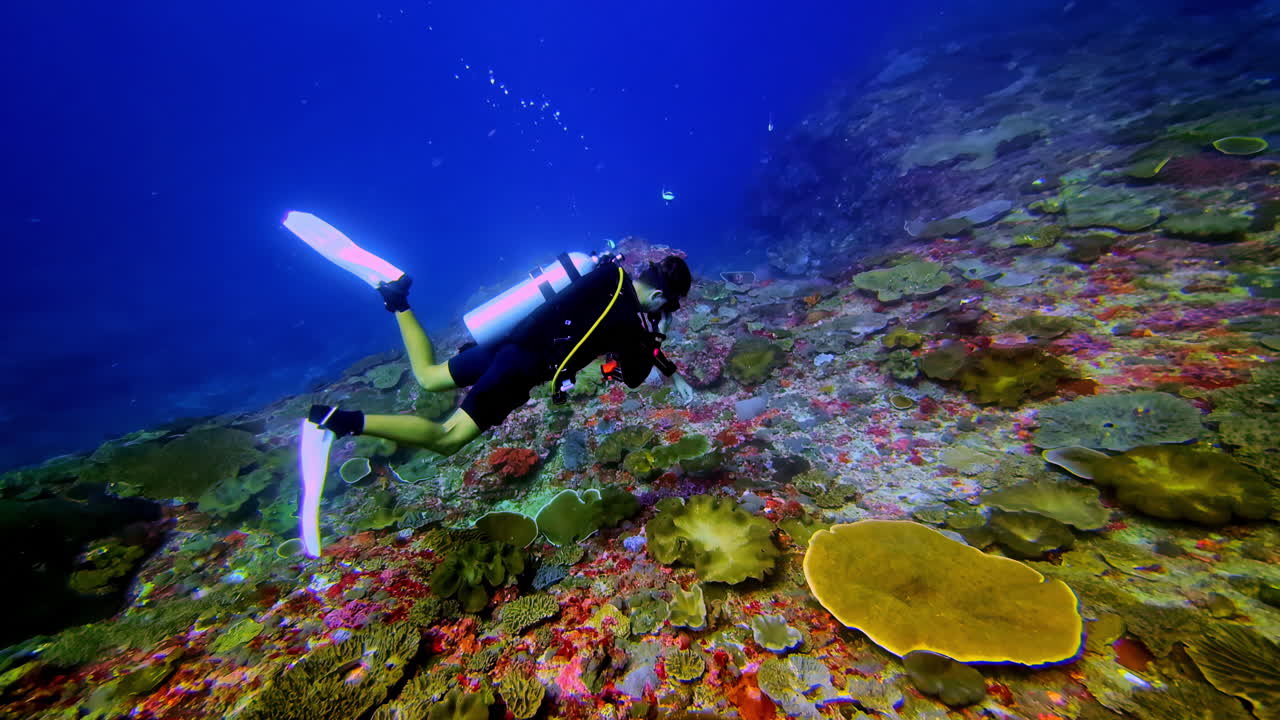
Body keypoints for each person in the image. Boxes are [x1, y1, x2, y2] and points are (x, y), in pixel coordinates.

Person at [308, 255, 695, 456]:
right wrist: (660, 331)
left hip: (506, 341)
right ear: (660, 297)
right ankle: (342, 422)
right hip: (522, 368)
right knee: (447, 438)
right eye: (671, 306)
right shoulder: (628, 319)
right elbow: (632, 376)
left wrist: (672, 370)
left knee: (428, 375)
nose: (667, 312)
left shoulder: (607, 274)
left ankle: (398, 300)